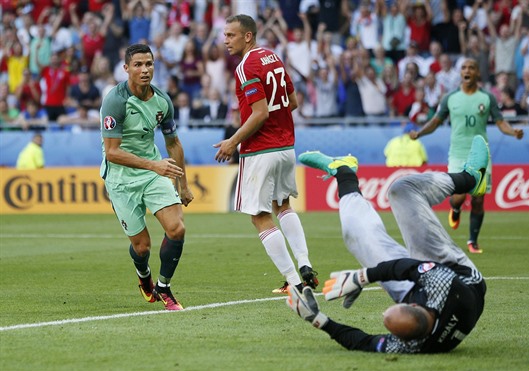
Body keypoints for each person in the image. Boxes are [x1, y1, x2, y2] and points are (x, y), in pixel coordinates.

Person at [287, 136, 489, 353]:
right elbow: (405, 268)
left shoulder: (411, 345)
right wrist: (361, 278)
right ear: (411, 306)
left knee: (355, 236)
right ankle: (471, 178)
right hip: (456, 273)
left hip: (424, 289)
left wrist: (317, 319)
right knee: (402, 189)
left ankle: (343, 171)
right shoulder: (444, 286)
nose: (386, 309)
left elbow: (364, 342)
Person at [214, 14, 318, 294]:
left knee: (259, 216)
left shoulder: (246, 67)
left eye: (231, 35)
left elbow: (259, 113)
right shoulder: (274, 58)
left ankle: (294, 282)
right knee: (282, 206)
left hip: (261, 150)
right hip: (286, 148)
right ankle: (305, 265)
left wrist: (232, 142)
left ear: (247, 36)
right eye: (224, 35)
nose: (225, 40)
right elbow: (293, 102)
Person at [100, 44, 194, 311]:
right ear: (126, 68)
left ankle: (164, 287)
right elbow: (112, 152)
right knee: (142, 248)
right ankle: (144, 277)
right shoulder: (115, 100)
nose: (145, 70)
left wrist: (183, 185)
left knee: (177, 229)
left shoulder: (162, 101)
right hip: (121, 178)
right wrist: (154, 165)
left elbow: (173, 143)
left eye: (149, 64)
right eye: (138, 64)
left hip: (153, 172)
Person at [409, 59, 524, 254]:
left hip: (480, 155)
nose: (467, 70)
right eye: (463, 67)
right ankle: (455, 209)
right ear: (460, 73)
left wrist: (513, 132)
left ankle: (473, 240)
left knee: (478, 199)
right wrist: (420, 133)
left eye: (471, 67)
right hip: (458, 154)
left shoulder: (487, 98)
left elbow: (500, 122)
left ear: (477, 72)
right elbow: (436, 121)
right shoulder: (450, 98)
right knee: (458, 197)